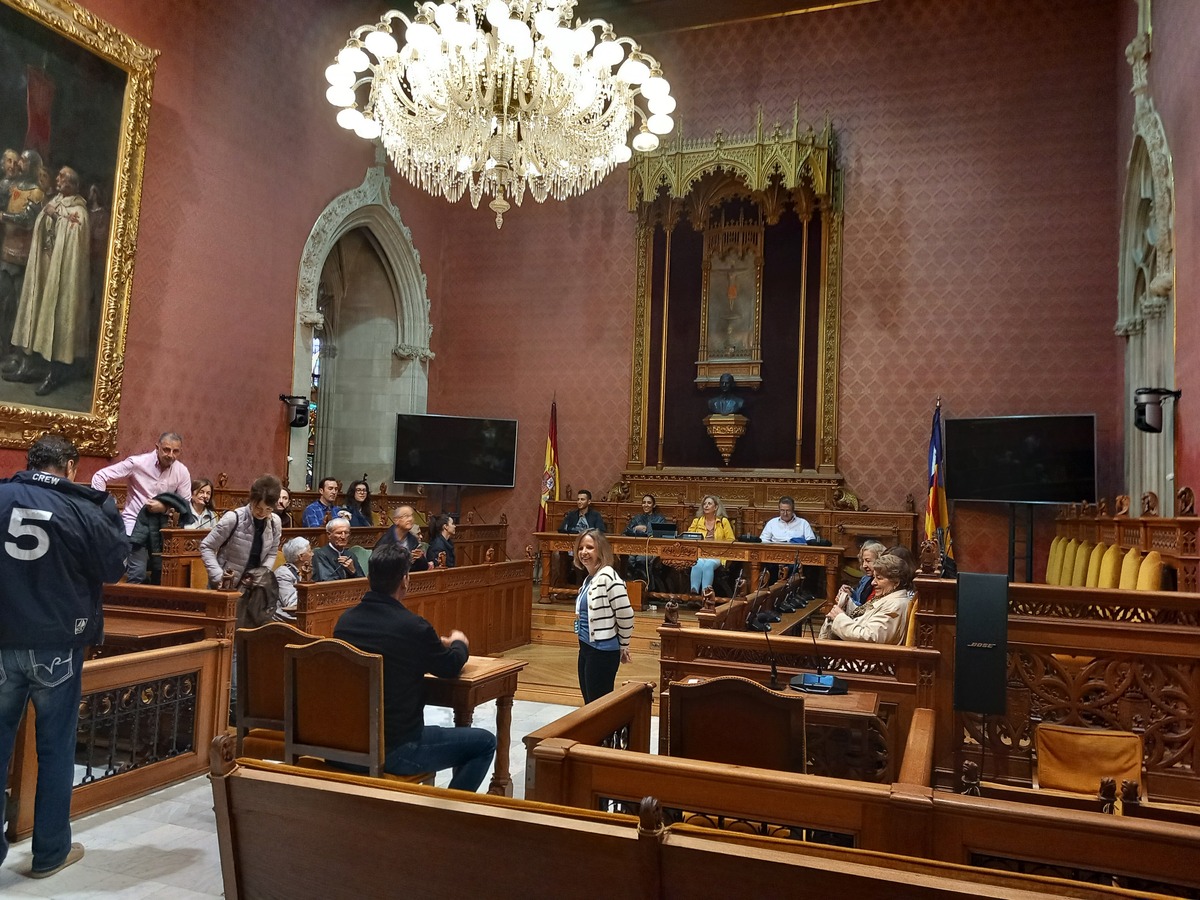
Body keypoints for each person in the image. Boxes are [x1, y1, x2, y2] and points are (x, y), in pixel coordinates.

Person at [0, 434, 128, 879]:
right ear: (71, 465)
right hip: (56, 641)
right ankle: (50, 851)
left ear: (29, 461)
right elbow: (115, 568)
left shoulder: (1, 495)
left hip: (1, 638)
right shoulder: (85, 507)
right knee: (55, 748)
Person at [333, 542, 496, 791]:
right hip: (396, 750)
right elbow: (450, 666)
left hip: (344, 746)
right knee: (484, 743)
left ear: (370, 577)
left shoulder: (345, 622)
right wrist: (459, 644)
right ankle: (445, 819)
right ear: (405, 580)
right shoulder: (412, 626)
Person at [6, 166, 91, 395]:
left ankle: (55, 374)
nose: (57, 179)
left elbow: (75, 232)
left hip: (62, 275)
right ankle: (30, 367)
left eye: (61, 177)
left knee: (58, 318)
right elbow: (45, 221)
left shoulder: (79, 211)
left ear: (72, 184)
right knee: (36, 313)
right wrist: (47, 216)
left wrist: (56, 217)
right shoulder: (57, 201)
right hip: (46, 268)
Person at [91, 432, 192, 582]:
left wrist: (163, 508)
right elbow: (100, 476)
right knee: (137, 574)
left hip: (162, 531)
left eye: (175, 451)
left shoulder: (181, 471)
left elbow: (185, 505)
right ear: (157, 447)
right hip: (135, 526)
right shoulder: (138, 463)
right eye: (166, 449)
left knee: (163, 578)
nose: (170, 455)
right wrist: (104, 506)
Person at [572, 529, 634, 703]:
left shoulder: (608, 576)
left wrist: (624, 645)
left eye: (590, 547)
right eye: (581, 547)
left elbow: (626, 614)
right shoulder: (589, 579)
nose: (584, 552)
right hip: (586, 647)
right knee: (589, 704)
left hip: (602, 652)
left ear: (601, 550)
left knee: (599, 706)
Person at [0, 149, 46, 366]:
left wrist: (4, 216)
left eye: (25, 161)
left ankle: (18, 355)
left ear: (33, 166)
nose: (20, 164)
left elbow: (28, 220)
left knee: (20, 305)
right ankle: (3, 348)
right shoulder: (15, 187)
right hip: (6, 253)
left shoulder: (36, 192)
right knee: (4, 303)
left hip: (22, 257)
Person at [199, 474, 283, 589]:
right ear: (252, 499)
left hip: (253, 590)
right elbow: (206, 546)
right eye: (258, 507)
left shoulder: (275, 522)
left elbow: (272, 552)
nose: (263, 513)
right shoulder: (233, 518)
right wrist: (218, 576)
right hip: (224, 588)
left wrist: (262, 575)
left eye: (268, 509)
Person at [819, 553, 913, 644]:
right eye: (874, 577)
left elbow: (868, 637)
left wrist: (839, 618)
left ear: (896, 582)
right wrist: (847, 603)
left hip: (868, 658)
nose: (873, 583)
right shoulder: (888, 597)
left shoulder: (895, 605)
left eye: (879, 578)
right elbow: (866, 618)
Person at [760, 495, 818, 584]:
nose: (785, 513)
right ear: (779, 510)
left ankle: (797, 592)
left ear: (793, 510)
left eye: (788, 510)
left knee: (809, 565)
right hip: (775, 555)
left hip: (797, 556)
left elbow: (811, 542)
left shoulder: (803, 523)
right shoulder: (772, 523)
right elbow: (763, 540)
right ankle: (773, 592)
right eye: (782, 510)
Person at [687, 495, 735, 594]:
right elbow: (688, 537)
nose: (706, 506)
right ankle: (694, 592)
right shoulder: (697, 521)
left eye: (709, 504)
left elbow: (731, 540)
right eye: (704, 504)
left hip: (718, 554)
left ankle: (706, 593)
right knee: (697, 564)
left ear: (716, 507)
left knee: (708, 565)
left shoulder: (723, 521)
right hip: (700, 553)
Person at [623, 493, 667, 581]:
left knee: (641, 559)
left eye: (649, 503)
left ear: (653, 505)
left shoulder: (660, 518)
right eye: (644, 502)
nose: (646, 505)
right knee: (629, 559)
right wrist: (636, 529)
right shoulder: (637, 518)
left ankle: (643, 586)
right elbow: (626, 531)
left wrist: (646, 530)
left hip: (651, 549)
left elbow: (660, 534)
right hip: (635, 548)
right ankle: (631, 585)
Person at [834, 540, 887, 611]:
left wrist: (848, 600)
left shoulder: (883, 583)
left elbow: (866, 609)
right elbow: (860, 600)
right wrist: (850, 592)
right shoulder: (866, 578)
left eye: (868, 561)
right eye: (863, 561)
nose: (864, 565)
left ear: (879, 560)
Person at [377, 504, 429, 571]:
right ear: (396, 520)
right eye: (406, 516)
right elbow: (378, 564)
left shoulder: (413, 540)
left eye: (411, 516)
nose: (410, 519)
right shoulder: (386, 540)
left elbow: (423, 568)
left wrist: (421, 558)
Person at [274, 536, 312, 621]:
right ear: (301, 557)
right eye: (310, 551)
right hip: (285, 616)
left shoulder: (304, 571)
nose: (312, 554)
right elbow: (291, 603)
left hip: (301, 611)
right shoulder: (283, 574)